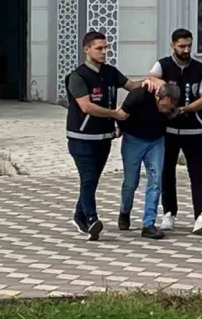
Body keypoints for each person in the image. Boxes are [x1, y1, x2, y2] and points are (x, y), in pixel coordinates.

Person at [65, 31, 163, 241]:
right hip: (81, 137)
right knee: (88, 178)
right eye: (99, 48)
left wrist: (150, 81)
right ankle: (91, 219)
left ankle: (79, 215)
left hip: (103, 137)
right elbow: (86, 106)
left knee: (92, 180)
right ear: (87, 49)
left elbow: (131, 86)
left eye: (105, 48)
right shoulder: (78, 76)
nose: (103, 52)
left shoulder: (110, 72)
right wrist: (114, 114)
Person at [149, 28, 202, 235]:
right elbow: (150, 77)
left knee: (197, 174)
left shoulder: (200, 69)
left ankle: (200, 215)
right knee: (167, 172)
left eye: (189, 45)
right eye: (182, 46)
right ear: (173, 45)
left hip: (194, 130)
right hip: (168, 130)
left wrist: (184, 109)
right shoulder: (163, 65)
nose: (186, 50)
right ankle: (169, 213)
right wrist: (162, 85)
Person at [116, 83, 181, 240]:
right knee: (131, 182)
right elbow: (121, 115)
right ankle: (125, 211)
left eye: (170, 108)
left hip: (156, 141)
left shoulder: (171, 108)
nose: (166, 110)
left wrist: (171, 114)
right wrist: (121, 129)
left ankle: (149, 224)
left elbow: (171, 119)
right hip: (133, 139)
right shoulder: (139, 96)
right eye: (165, 106)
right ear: (160, 96)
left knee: (156, 179)